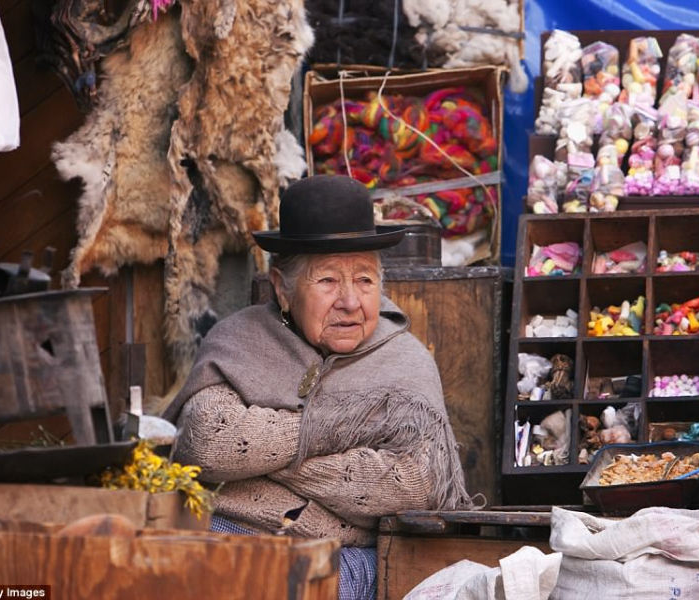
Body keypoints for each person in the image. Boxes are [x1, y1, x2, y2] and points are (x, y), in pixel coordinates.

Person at [163, 175, 473, 600]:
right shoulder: (239, 339)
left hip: (340, 554)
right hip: (221, 530)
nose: (350, 301)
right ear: (282, 289)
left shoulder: (405, 361)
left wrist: (260, 460)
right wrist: (337, 430)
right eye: (327, 280)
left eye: (364, 280)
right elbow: (207, 441)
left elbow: (415, 481)